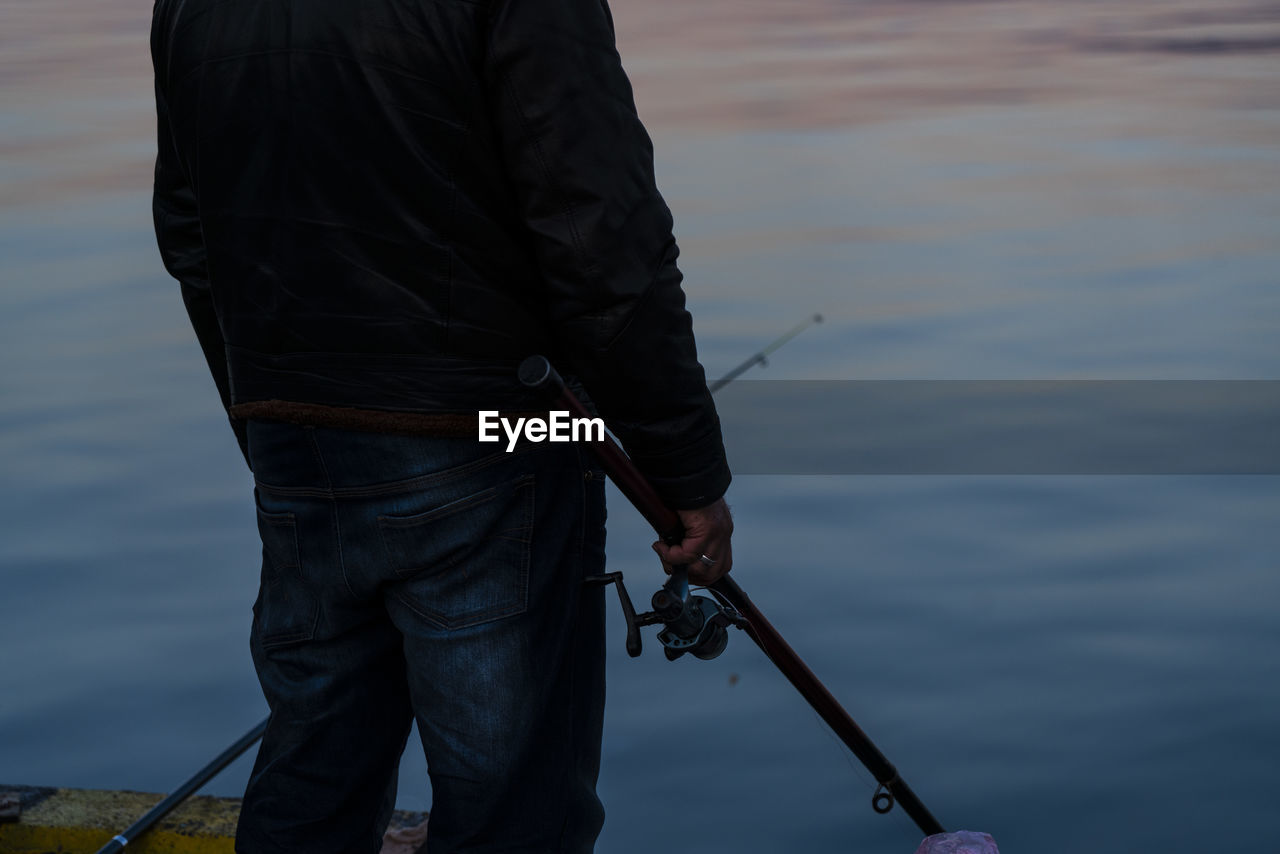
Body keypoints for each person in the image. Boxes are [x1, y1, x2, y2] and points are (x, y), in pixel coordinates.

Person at [150, 0, 734, 852]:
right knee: (513, 805)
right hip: (494, 438)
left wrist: (272, 422)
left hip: (295, 442)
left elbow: (188, 233)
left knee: (315, 767)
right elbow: (604, 238)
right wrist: (686, 475)